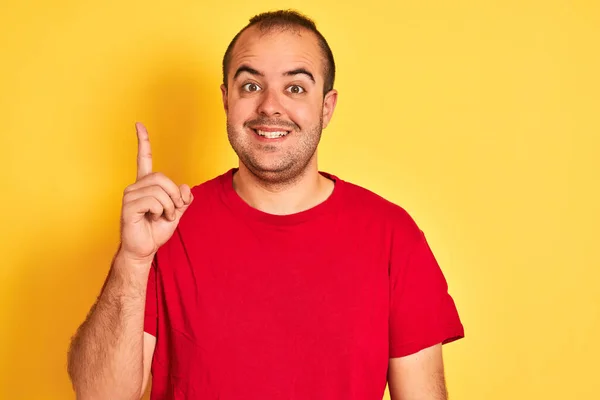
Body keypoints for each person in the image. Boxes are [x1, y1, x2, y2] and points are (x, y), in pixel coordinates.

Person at [67, 9, 464, 400]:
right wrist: (134, 261)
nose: (270, 106)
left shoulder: (393, 235)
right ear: (226, 100)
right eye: (251, 86)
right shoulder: (169, 225)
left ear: (326, 107)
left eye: (295, 88)